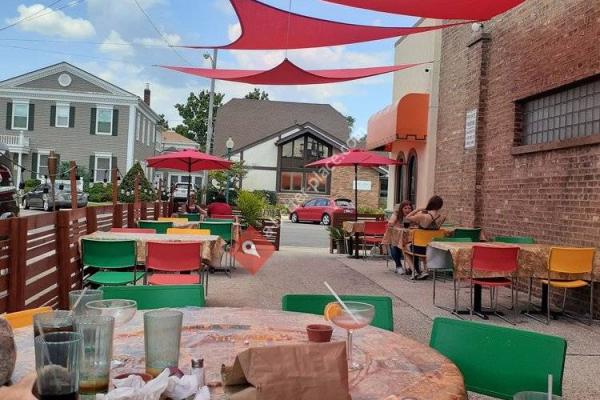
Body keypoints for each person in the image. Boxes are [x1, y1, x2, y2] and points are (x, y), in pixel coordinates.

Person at [404, 195, 446, 280]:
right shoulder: (442, 217)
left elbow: (407, 217)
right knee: (425, 245)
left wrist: (417, 210)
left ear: (430, 203)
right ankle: (425, 270)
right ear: (440, 206)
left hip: (419, 248)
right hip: (433, 248)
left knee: (404, 247)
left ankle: (414, 271)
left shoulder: (423, 216)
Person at [387, 200, 414, 274]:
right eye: (405, 208)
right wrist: (391, 222)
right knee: (394, 245)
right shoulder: (397, 214)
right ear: (401, 209)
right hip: (397, 237)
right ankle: (398, 266)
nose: (407, 210)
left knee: (414, 246)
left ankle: (412, 267)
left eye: (409, 208)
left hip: (409, 238)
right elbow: (391, 222)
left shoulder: (413, 215)